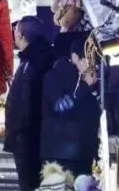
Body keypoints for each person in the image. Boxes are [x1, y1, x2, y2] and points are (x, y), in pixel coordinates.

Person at [4, 17, 56, 191]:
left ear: (20, 35)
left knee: (30, 188)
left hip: (28, 141)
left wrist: (16, 133)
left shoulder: (31, 63)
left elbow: (26, 105)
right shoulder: (46, 57)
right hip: (44, 138)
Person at [40, 33, 101, 179]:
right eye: (87, 60)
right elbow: (61, 106)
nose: (91, 65)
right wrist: (86, 86)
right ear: (74, 57)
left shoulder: (90, 77)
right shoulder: (55, 76)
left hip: (82, 151)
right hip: (61, 153)